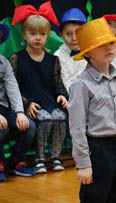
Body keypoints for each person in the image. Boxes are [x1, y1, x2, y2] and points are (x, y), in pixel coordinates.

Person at [68, 18, 116, 203]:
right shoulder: (81, 85)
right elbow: (77, 128)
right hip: (99, 150)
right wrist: (83, 164)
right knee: (94, 202)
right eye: (101, 45)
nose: (109, 48)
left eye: (111, 42)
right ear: (88, 53)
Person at [10, 2, 69, 173]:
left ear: (47, 36)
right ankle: (39, 158)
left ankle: (56, 156)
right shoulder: (17, 59)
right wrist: (26, 104)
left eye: (42, 34)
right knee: (43, 118)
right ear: (24, 35)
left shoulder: (53, 60)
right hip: (29, 99)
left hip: (49, 98)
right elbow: (12, 87)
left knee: (59, 116)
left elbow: (58, 83)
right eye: (33, 33)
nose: (38, 38)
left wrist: (62, 95)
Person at [0, 23, 36, 182]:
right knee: (2, 129)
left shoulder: (3, 62)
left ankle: (16, 162)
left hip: (5, 108)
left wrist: (20, 112)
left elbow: (12, 88)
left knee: (29, 126)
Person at [54, 8, 87, 92]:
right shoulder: (58, 56)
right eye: (69, 34)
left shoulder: (90, 52)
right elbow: (63, 83)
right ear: (61, 35)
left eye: (78, 33)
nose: (74, 38)